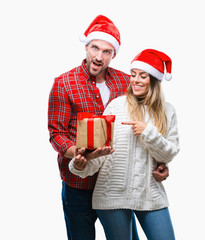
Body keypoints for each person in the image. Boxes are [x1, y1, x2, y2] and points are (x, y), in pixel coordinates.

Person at [48, 15, 169, 240]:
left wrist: (160, 163)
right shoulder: (64, 83)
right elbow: (56, 133)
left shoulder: (126, 83)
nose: (99, 56)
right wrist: (79, 154)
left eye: (106, 51)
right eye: (95, 48)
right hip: (79, 183)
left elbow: (148, 125)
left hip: (117, 185)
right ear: (87, 46)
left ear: (114, 54)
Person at [69, 49, 180, 240]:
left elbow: (169, 154)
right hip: (111, 195)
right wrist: (81, 164)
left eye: (143, 76)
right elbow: (102, 153)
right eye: (133, 75)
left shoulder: (167, 111)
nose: (136, 80)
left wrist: (148, 131)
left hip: (149, 194)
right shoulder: (116, 106)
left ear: (153, 80)